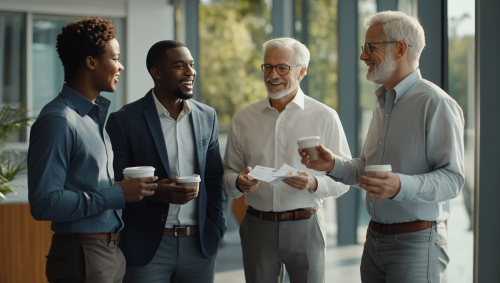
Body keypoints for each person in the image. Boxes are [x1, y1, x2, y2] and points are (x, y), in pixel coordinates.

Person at [299, 11, 464, 283]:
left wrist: (399, 185)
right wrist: (332, 165)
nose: (363, 56)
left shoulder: (436, 104)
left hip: (416, 243)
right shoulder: (383, 103)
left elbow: (452, 180)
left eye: (370, 47)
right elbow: (366, 168)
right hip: (374, 240)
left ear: (400, 49)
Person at [28, 16, 157, 283]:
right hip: (83, 257)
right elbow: (44, 203)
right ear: (91, 62)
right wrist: (116, 194)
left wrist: (126, 190)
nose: (121, 66)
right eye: (115, 57)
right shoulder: (59, 120)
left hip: (107, 252)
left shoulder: (93, 117)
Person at [223, 37, 351, 283]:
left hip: (306, 226)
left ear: (301, 72)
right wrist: (240, 182)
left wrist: (313, 183)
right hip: (257, 227)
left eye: (283, 67)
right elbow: (228, 175)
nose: (273, 75)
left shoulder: (325, 116)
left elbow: (344, 179)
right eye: (268, 67)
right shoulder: (243, 119)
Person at [106, 40, 225, 283]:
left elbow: (213, 179)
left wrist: (216, 228)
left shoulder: (207, 117)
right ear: (156, 73)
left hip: (199, 246)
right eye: (180, 66)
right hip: (147, 248)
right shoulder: (124, 121)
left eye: (191, 65)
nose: (190, 72)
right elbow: (117, 185)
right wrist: (156, 193)